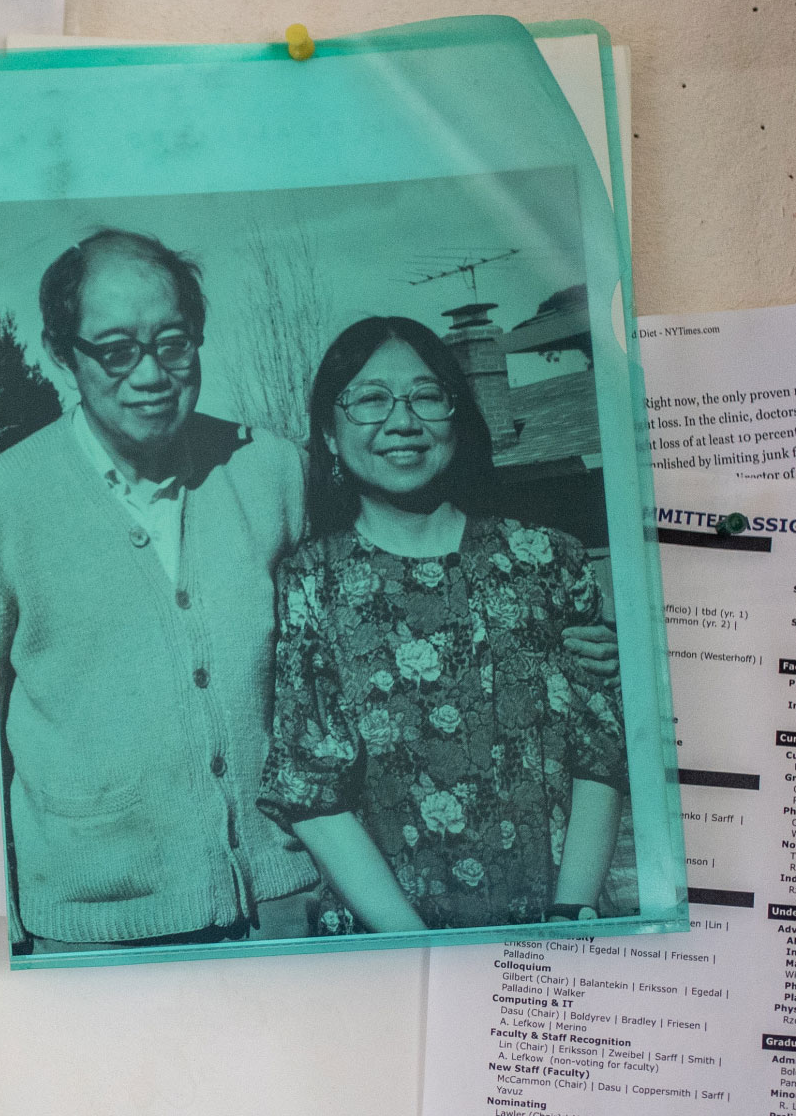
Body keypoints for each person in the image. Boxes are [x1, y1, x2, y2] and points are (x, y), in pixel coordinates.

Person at [0, 228, 318, 952]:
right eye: (116, 350)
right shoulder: (1, 503)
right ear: (59, 352)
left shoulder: (274, 472)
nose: (150, 374)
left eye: (174, 342)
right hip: (92, 929)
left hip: (284, 907)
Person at [260, 315, 627, 934]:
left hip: (560, 924)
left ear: (457, 417)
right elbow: (312, 791)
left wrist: (573, 912)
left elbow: (601, 750)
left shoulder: (547, 560)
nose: (402, 421)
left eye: (426, 396)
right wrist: (415, 944)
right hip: (392, 943)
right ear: (327, 430)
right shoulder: (308, 585)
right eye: (370, 399)